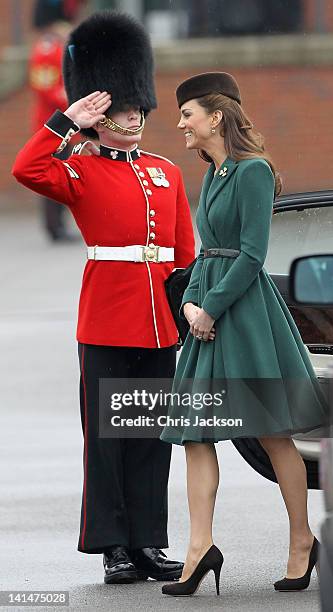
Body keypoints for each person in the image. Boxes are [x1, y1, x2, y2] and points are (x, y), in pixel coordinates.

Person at [13, 10, 195, 584]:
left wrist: (188, 311)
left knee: (151, 439)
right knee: (108, 440)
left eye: (139, 109)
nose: (135, 118)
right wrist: (67, 120)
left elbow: (184, 251)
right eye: (123, 110)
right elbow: (27, 167)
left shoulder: (165, 171)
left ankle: (147, 541)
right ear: (102, 115)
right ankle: (113, 545)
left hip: (160, 323)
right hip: (107, 321)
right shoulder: (80, 169)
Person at [160, 72, 329, 596]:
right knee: (194, 432)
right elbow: (207, 251)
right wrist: (190, 301)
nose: (180, 123)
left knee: (273, 433)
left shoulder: (253, 171)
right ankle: (200, 547)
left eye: (188, 113)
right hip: (206, 313)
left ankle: (302, 541)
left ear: (216, 116)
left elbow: (253, 253)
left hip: (245, 314)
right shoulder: (213, 172)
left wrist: (208, 308)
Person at [29, 0, 85, 241]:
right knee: (52, 175)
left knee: (63, 172)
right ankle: (54, 227)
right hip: (52, 122)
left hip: (66, 122)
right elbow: (44, 86)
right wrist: (70, 99)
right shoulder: (46, 48)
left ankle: (59, 224)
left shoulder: (61, 46)